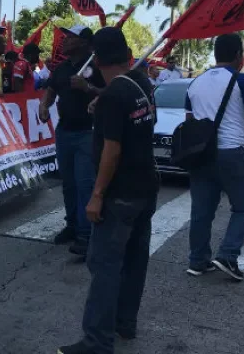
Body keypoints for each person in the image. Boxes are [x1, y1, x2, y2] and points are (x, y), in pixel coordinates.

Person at [57, 27, 158, 354]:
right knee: (134, 260)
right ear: (127, 53)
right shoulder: (141, 83)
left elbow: (112, 150)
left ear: (96, 59)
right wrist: (101, 100)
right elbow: (128, 110)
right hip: (146, 187)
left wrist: (97, 195)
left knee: (104, 266)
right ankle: (125, 323)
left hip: (120, 193)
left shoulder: (115, 96)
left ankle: (97, 342)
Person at [184, 34, 244, 281]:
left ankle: (197, 261)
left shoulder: (195, 83)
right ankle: (227, 255)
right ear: (238, 56)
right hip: (232, 152)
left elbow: (190, 122)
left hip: (202, 155)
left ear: (215, 54)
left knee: (201, 211)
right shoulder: (241, 80)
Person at [39, 25, 104, 256]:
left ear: (85, 43)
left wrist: (87, 87)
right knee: (68, 183)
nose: (64, 41)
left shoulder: (97, 66)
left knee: (85, 183)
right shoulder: (62, 68)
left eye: (70, 38)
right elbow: (51, 89)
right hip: (64, 132)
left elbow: (110, 94)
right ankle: (72, 225)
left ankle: (86, 235)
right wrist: (43, 105)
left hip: (88, 133)